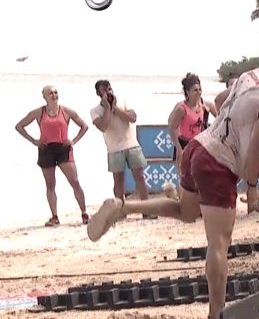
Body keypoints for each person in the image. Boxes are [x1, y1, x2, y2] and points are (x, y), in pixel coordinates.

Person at [86, 35, 259, 319]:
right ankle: (216, 316)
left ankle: (124, 208)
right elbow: (257, 148)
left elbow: (221, 101)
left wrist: (242, 123)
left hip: (198, 147)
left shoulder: (252, 75)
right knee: (219, 243)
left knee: (186, 212)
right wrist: (252, 187)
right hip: (219, 163)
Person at [15, 86, 91, 226]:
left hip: (63, 148)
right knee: (50, 185)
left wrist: (73, 141)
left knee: (74, 181)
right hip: (46, 149)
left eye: (56, 92)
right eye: (50, 93)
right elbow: (19, 126)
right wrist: (34, 141)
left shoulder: (66, 111)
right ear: (44, 96)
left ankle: (84, 213)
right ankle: (54, 216)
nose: (54, 95)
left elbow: (84, 126)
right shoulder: (38, 112)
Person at [90, 80, 156, 218]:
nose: (108, 92)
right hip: (114, 149)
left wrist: (115, 108)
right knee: (118, 181)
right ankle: (120, 211)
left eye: (109, 89)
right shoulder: (95, 111)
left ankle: (147, 210)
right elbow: (103, 126)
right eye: (104, 90)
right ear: (98, 93)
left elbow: (132, 118)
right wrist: (108, 109)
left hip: (131, 144)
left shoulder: (123, 102)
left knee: (140, 177)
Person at [168, 73, 218, 177]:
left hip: (199, 143)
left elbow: (220, 118)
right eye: (195, 90)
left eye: (200, 89)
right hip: (184, 144)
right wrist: (179, 149)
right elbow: (172, 128)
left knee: (200, 176)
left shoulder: (206, 105)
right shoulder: (181, 108)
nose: (198, 92)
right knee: (184, 177)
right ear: (188, 92)